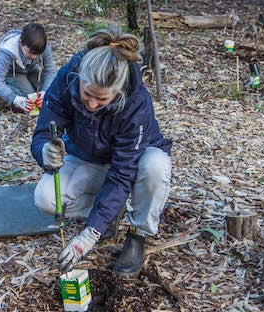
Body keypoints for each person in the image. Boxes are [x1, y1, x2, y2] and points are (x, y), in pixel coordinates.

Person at [30, 26, 172, 277]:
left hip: (133, 164)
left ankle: (138, 234)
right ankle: (109, 213)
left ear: (116, 92)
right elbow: (43, 131)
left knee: (156, 165)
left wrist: (88, 235)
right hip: (87, 156)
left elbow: (122, 172)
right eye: (87, 96)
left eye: (102, 100)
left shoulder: (135, 102)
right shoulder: (67, 77)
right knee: (46, 199)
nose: (93, 105)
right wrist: (44, 152)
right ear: (80, 77)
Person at [0, 22, 57, 115]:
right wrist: (14, 99)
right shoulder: (8, 52)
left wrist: (45, 91)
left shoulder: (41, 47)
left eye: (37, 54)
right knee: (29, 104)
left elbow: (50, 72)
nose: (34, 57)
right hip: (13, 73)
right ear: (20, 43)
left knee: (52, 93)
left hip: (31, 70)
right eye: (30, 53)